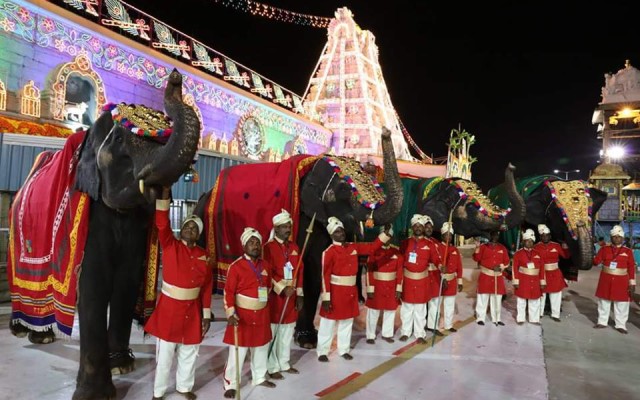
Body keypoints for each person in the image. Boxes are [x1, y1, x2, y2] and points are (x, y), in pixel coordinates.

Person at [146, 187, 213, 400]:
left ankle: (184, 387)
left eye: (195, 229)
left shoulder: (204, 256)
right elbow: (162, 225)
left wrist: (206, 315)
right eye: (187, 226)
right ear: (181, 229)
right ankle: (159, 392)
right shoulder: (170, 245)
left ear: (199, 235)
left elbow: (207, 288)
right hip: (169, 309)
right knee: (164, 355)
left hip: (192, 311)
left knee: (190, 352)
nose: (190, 230)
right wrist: (164, 198)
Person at [317, 217, 392, 362]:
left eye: (342, 231)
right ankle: (322, 351)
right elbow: (324, 276)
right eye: (337, 232)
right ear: (332, 235)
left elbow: (371, 247)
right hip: (335, 291)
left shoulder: (352, 247)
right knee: (328, 323)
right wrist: (326, 297)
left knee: (347, 322)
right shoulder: (329, 252)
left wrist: (386, 234)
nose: (341, 234)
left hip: (350, 292)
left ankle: (343, 349)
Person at [222, 228, 276, 398]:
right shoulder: (236, 266)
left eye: (257, 242)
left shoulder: (266, 266)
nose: (255, 246)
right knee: (238, 351)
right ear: (244, 245)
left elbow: (269, 287)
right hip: (242, 315)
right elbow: (228, 292)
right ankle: (231, 383)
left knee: (260, 347)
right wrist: (231, 313)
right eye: (251, 242)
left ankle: (259, 377)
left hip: (261, 314)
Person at [263, 210, 304, 379]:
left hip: (292, 295)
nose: (288, 229)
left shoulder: (294, 247)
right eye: (284, 227)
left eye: (289, 226)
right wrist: (281, 288)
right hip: (275, 296)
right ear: (276, 228)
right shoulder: (268, 247)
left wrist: (300, 294)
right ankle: (271, 367)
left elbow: (300, 271)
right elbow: (267, 272)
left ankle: (284, 363)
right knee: (274, 332)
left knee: (287, 332)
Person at [399, 214, 440, 343]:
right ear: (412, 227)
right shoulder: (405, 243)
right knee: (407, 309)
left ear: (423, 228)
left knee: (420, 310)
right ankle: (405, 332)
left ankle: (419, 334)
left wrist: (441, 265)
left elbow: (436, 258)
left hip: (422, 281)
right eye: (415, 225)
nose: (418, 228)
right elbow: (400, 262)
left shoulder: (430, 244)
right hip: (408, 281)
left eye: (420, 226)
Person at [593, 225, 636, 334]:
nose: (617, 238)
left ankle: (621, 325)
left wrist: (632, 283)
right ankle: (602, 322)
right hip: (606, 279)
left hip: (622, 281)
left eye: (619, 237)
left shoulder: (628, 251)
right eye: (614, 237)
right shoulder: (604, 249)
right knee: (604, 301)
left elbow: (631, 267)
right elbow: (596, 261)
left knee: (621, 303)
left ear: (622, 238)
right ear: (611, 238)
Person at [365, 238, 403, 344]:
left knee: (390, 310)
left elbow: (400, 272)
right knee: (373, 311)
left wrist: (399, 288)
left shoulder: (396, 252)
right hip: (377, 285)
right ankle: (370, 335)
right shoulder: (374, 252)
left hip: (391, 286)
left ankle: (387, 334)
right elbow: (369, 271)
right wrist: (370, 288)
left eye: (389, 236)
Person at [473, 230, 510, 326]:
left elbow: (506, 262)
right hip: (485, 275)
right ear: (489, 235)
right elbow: (476, 258)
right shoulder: (483, 247)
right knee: (482, 298)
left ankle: (496, 318)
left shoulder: (502, 248)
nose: (495, 236)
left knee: (497, 298)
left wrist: (501, 267)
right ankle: (480, 318)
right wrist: (477, 247)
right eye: (493, 234)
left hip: (497, 277)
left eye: (496, 234)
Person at [534, 224, 570, 321]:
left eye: (547, 235)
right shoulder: (536, 247)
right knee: (541, 294)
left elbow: (566, 256)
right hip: (542, 274)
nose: (545, 237)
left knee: (556, 295)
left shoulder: (556, 246)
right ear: (540, 236)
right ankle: (539, 313)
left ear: (550, 236)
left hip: (555, 273)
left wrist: (566, 248)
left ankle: (555, 315)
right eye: (543, 235)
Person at [435, 222, 464, 333]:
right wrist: (443, 278)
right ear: (442, 236)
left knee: (449, 304)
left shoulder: (455, 250)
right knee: (437, 305)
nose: (449, 237)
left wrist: (460, 282)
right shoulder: (438, 248)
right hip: (440, 280)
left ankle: (448, 324)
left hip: (452, 281)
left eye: (450, 235)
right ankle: (435, 326)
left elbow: (459, 267)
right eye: (446, 235)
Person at [512, 229, 545, 325]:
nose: (529, 243)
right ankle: (520, 319)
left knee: (534, 300)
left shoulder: (538, 253)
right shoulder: (518, 254)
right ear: (523, 242)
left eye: (531, 241)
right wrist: (516, 281)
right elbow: (515, 268)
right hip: (523, 280)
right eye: (527, 241)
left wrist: (542, 281)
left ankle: (534, 319)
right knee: (521, 300)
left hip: (535, 281)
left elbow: (542, 269)